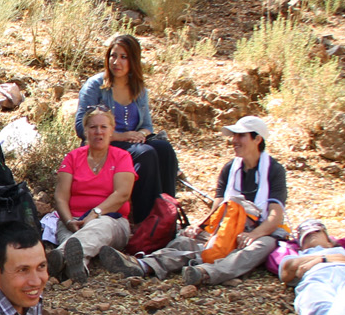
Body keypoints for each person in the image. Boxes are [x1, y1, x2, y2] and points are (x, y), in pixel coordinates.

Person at [98, 116, 287, 286]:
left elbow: (275, 214)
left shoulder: (274, 170)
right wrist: (202, 226)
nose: (234, 141)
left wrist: (255, 234)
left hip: (258, 229)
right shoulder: (230, 168)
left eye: (241, 136)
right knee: (183, 241)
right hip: (227, 224)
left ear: (257, 139)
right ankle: (143, 265)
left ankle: (206, 273)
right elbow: (219, 204)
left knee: (263, 246)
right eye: (234, 136)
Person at [75, 34, 178, 221]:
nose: (116, 62)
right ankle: (146, 220)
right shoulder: (96, 86)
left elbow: (147, 126)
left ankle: (167, 214)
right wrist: (122, 136)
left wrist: (140, 134)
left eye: (123, 57)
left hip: (133, 142)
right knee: (146, 154)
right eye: (113, 56)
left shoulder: (138, 88)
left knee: (164, 149)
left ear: (133, 60)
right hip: (105, 143)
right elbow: (81, 128)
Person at [48, 107, 135, 284]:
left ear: (112, 130)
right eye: (93, 127)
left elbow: (122, 194)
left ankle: (58, 258)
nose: (98, 132)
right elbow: (61, 197)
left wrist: (94, 214)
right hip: (74, 220)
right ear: (86, 130)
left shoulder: (122, 157)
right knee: (75, 243)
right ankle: (78, 268)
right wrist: (69, 221)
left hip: (112, 221)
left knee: (98, 227)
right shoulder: (73, 157)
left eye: (103, 127)